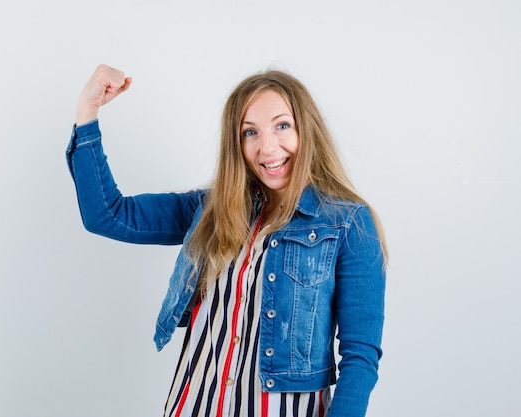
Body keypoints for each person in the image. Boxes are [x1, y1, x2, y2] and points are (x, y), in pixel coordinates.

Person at [66, 64, 387, 417]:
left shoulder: (350, 225)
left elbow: (360, 357)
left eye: (282, 126)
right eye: (250, 132)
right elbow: (108, 215)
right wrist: (87, 112)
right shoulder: (211, 210)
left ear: (306, 129)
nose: (267, 147)